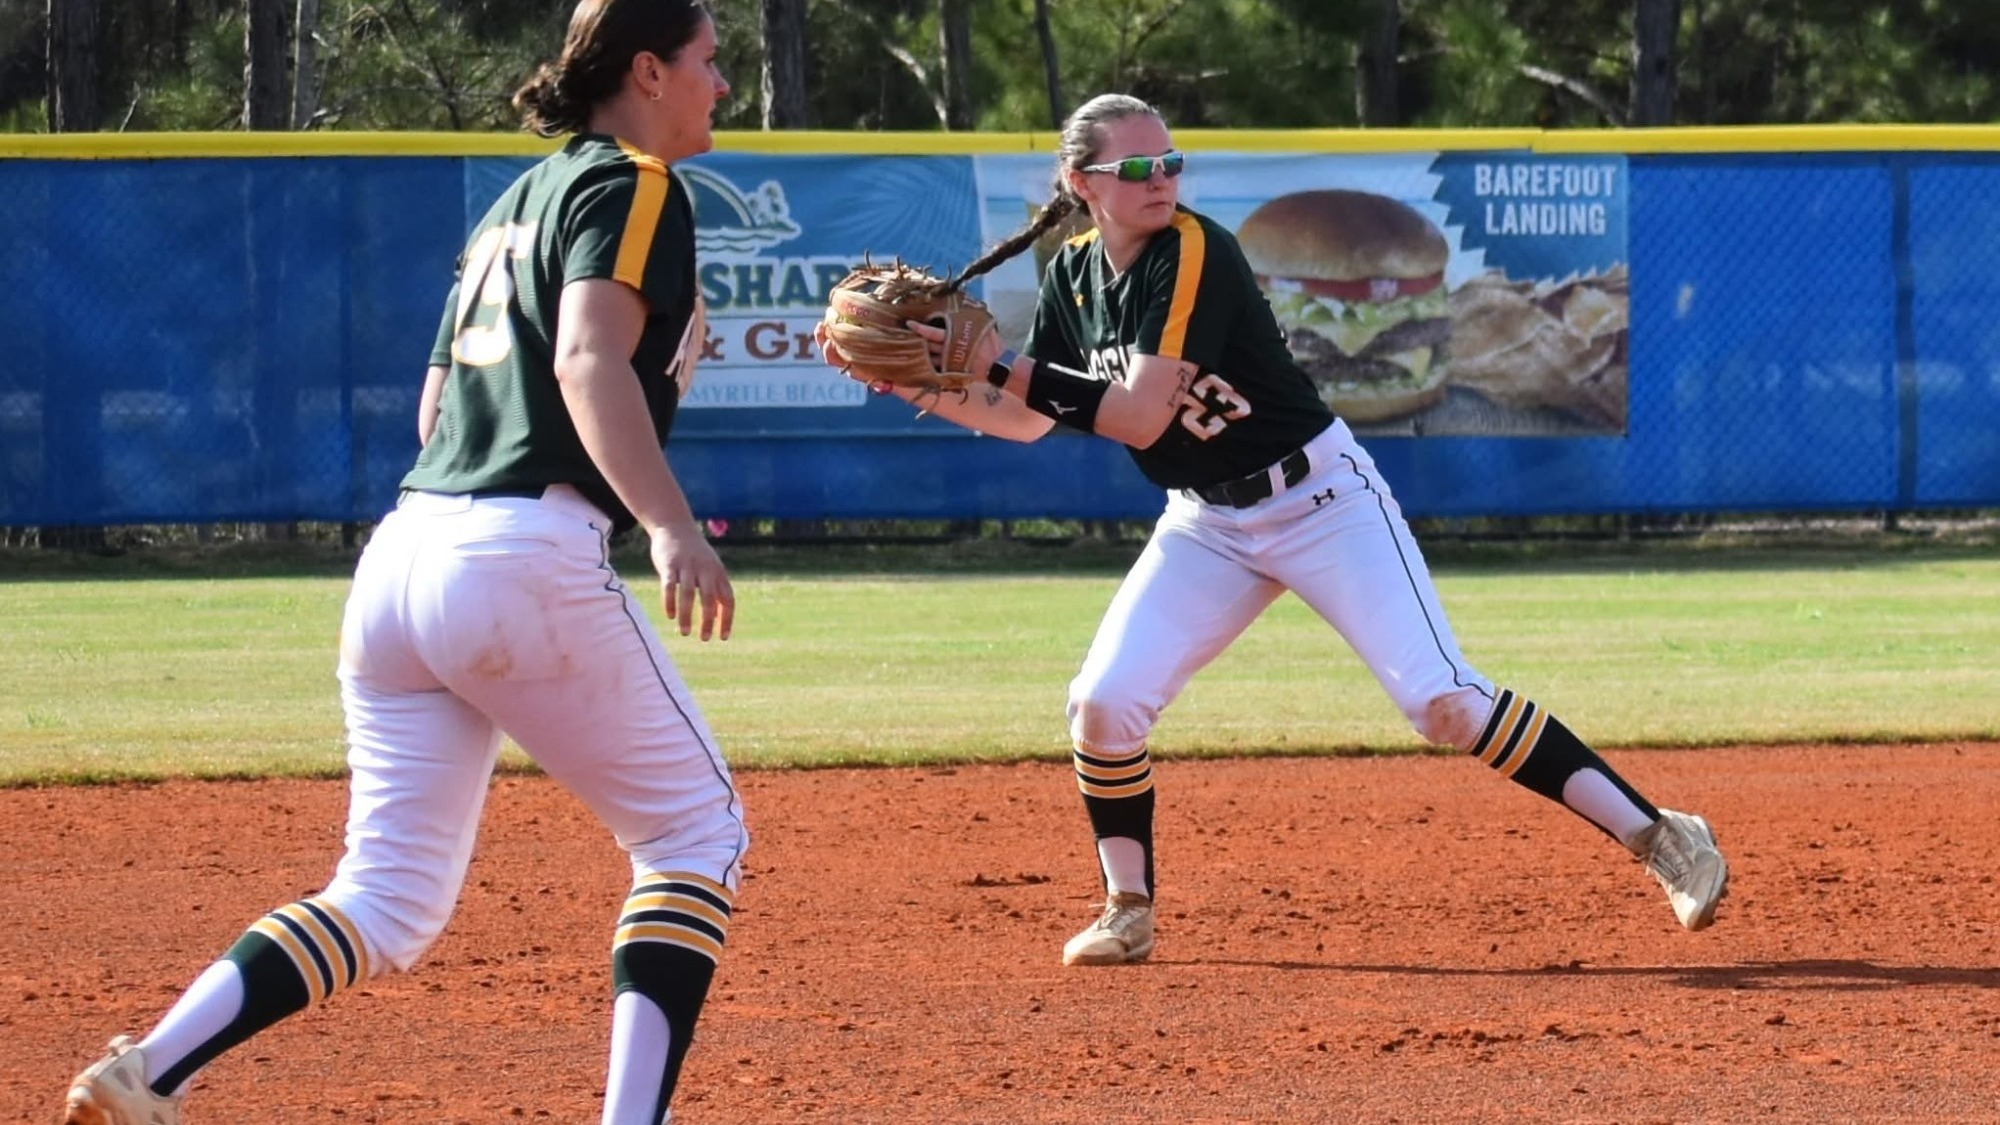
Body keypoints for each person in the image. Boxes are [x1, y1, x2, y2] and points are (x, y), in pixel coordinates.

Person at [816, 93, 1728, 967]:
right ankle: (1128, 909)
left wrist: (999, 362)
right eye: (1135, 164)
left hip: (1322, 502)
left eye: (1171, 159)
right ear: (1080, 179)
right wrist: (910, 379)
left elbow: (1133, 417)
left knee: (1443, 700)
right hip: (1206, 522)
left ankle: (1662, 836)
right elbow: (1024, 417)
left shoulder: (1193, 251)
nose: (1161, 175)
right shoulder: (1076, 272)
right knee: (1104, 702)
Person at [61, 3, 747, 1122]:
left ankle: (152, 1070)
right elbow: (584, 359)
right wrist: (668, 524)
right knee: (693, 834)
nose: (722, 84)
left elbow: (441, 402)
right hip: (524, 550)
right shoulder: (634, 184)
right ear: (646, 70)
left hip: (404, 556)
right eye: (708, 61)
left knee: (383, 899)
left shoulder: (512, 207)